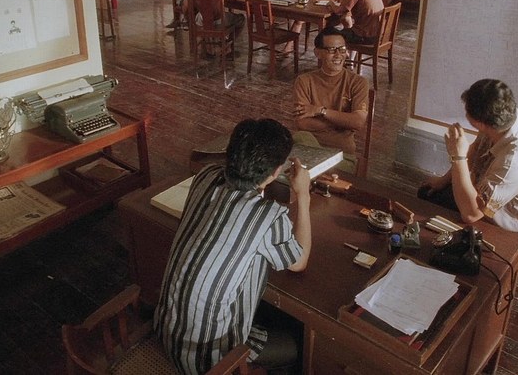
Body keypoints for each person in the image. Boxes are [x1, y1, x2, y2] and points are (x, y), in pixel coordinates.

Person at [155, 118, 312, 374]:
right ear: (276, 171)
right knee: (296, 345)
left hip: (166, 331)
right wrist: (303, 194)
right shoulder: (267, 216)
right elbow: (299, 261)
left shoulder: (205, 175)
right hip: (207, 361)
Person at [417, 79, 518, 239]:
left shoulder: (515, 161)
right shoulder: (504, 118)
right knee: (426, 193)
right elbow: (475, 151)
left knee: (435, 226)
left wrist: (457, 156)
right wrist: (443, 180)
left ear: (478, 123)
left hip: (511, 227)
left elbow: (471, 215)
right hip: (485, 200)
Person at [293, 26, 369, 173]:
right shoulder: (304, 81)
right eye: (332, 50)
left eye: (342, 49)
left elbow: (357, 122)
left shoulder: (358, 82)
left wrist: (320, 111)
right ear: (318, 53)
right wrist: (343, 122)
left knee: (305, 168)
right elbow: (302, 123)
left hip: (342, 156)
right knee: (301, 136)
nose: (338, 55)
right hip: (309, 147)